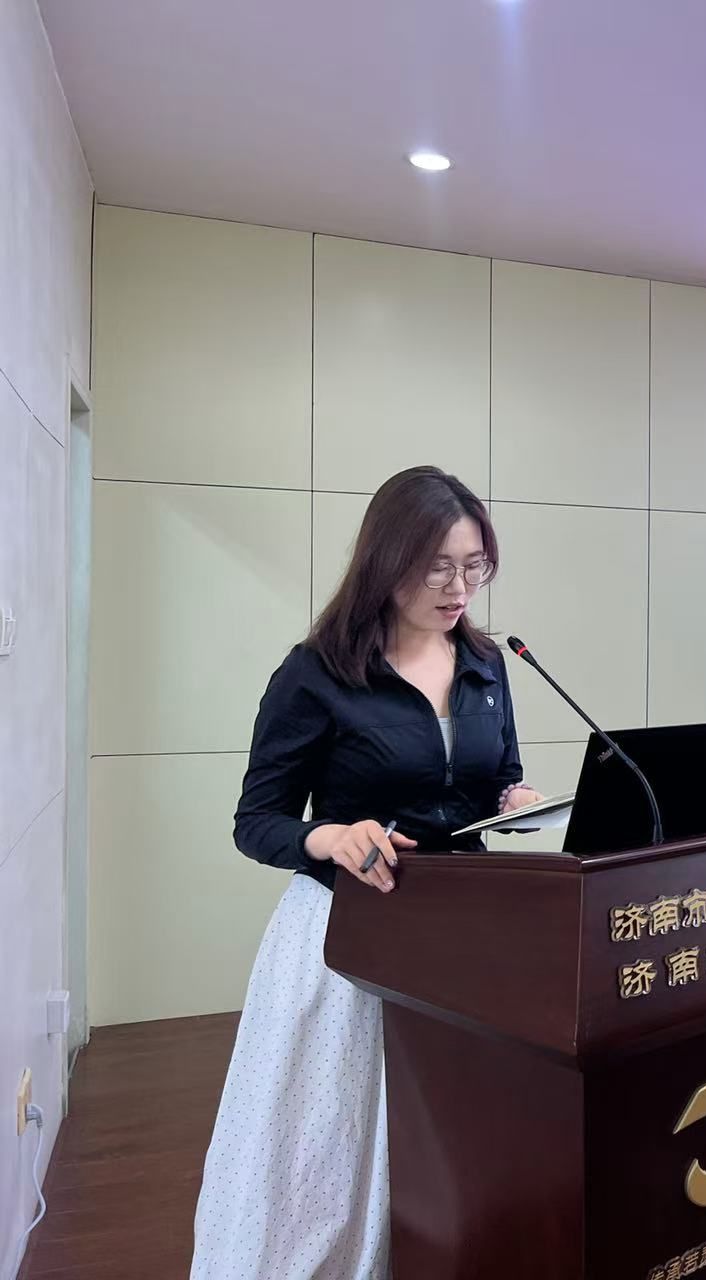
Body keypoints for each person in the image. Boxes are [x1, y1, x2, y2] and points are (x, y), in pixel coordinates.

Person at [190, 466, 543, 1279]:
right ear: (388, 562)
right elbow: (258, 820)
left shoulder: (486, 663)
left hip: (464, 935)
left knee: (447, 1141)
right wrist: (329, 837)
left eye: (475, 566)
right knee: (327, 1156)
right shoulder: (317, 672)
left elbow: (497, 777)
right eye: (438, 568)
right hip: (350, 941)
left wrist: (516, 801)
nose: (460, 588)